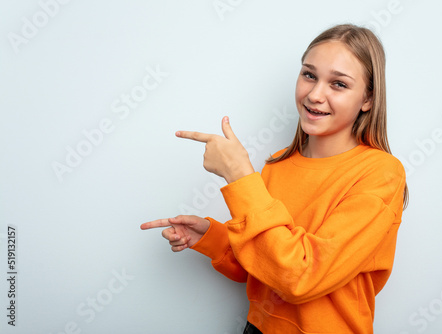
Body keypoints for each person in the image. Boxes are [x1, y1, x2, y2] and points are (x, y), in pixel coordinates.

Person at [141, 23, 408, 334]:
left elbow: (302, 277)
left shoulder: (381, 174)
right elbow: (268, 264)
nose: (315, 94)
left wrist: (239, 175)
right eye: (309, 75)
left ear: (368, 100)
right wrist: (212, 239)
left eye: (338, 84)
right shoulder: (279, 164)